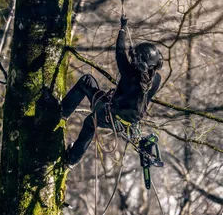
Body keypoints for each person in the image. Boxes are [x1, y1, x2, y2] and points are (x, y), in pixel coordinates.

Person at [60, 15, 164, 169]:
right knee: (91, 94)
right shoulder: (156, 79)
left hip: (110, 114)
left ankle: (63, 119)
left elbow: (119, 52)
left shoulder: (129, 74)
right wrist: (134, 58)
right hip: (126, 121)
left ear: (139, 62)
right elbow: (140, 77)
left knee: (90, 120)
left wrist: (123, 29)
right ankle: (70, 159)